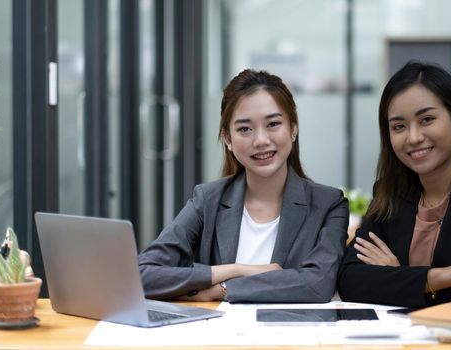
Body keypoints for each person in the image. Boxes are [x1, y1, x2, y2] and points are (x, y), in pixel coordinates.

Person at [139, 69, 348, 303]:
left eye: (273, 124)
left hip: (289, 337)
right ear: (227, 139)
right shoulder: (207, 200)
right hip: (219, 336)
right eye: (244, 129)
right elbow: (142, 275)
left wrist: (223, 289)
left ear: (294, 129)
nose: (260, 140)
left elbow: (317, 284)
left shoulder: (329, 204)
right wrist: (237, 269)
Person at [338, 61, 451, 307]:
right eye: (399, 127)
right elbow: (350, 282)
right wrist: (445, 276)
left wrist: (399, 276)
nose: (414, 137)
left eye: (426, 119)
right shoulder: (389, 193)